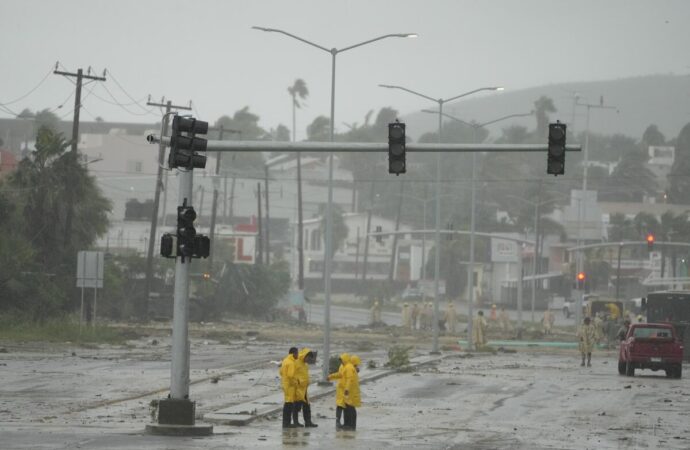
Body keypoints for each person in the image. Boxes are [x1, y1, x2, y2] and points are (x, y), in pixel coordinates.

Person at [293, 348, 318, 427]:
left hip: (304, 389)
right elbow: (292, 374)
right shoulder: (296, 363)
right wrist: (298, 382)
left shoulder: (305, 365)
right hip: (298, 388)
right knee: (296, 406)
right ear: (304, 356)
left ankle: (308, 422)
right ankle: (296, 422)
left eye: (310, 358)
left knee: (307, 405)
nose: (309, 360)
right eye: (308, 358)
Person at [327, 353, 350, 429]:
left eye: (342, 360)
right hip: (340, 389)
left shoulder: (349, 367)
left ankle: (346, 423)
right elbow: (339, 374)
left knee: (347, 407)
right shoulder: (341, 366)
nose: (341, 362)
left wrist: (347, 388)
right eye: (340, 360)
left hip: (346, 390)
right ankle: (338, 422)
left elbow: (350, 379)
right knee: (339, 406)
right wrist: (331, 376)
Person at [279, 347, 299, 428]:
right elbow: (291, 375)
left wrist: (285, 379)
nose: (298, 355)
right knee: (289, 405)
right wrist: (296, 382)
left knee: (287, 404)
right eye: (297, 353)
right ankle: (287, 423)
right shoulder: (291, 363)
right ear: (293, 353)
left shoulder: (285, 361)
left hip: (285, 385)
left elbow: (280, 372)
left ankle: (285, 423)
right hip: (290, 387)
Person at [342, 354, 362, 430]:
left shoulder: (351, 369)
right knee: (349, 408)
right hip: (352, 391)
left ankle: (351, 425)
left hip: (350, 392)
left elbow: (349, 380)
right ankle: (350, 425)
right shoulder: (353, 369)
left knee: (350, 408)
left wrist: (346, 389)